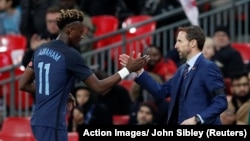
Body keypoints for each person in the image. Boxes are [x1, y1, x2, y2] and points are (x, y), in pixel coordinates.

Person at [19, 9, 149, 141]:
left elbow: (24, 84)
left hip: (38, 120)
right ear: (70, 31)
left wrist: (59, 92)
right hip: (53, 123)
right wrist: (127, 69)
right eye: (80, 32)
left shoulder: (41, 49)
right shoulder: (71, 55)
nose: (82, 36)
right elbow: (99, 87)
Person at [119, 25, 228, 125]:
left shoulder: (208, 67)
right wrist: (139, 71)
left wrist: (197, 119)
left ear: (192, 43)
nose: (176, 46)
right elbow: (161, 92)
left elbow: (221, 102)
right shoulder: (181, 70)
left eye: (179, 41)